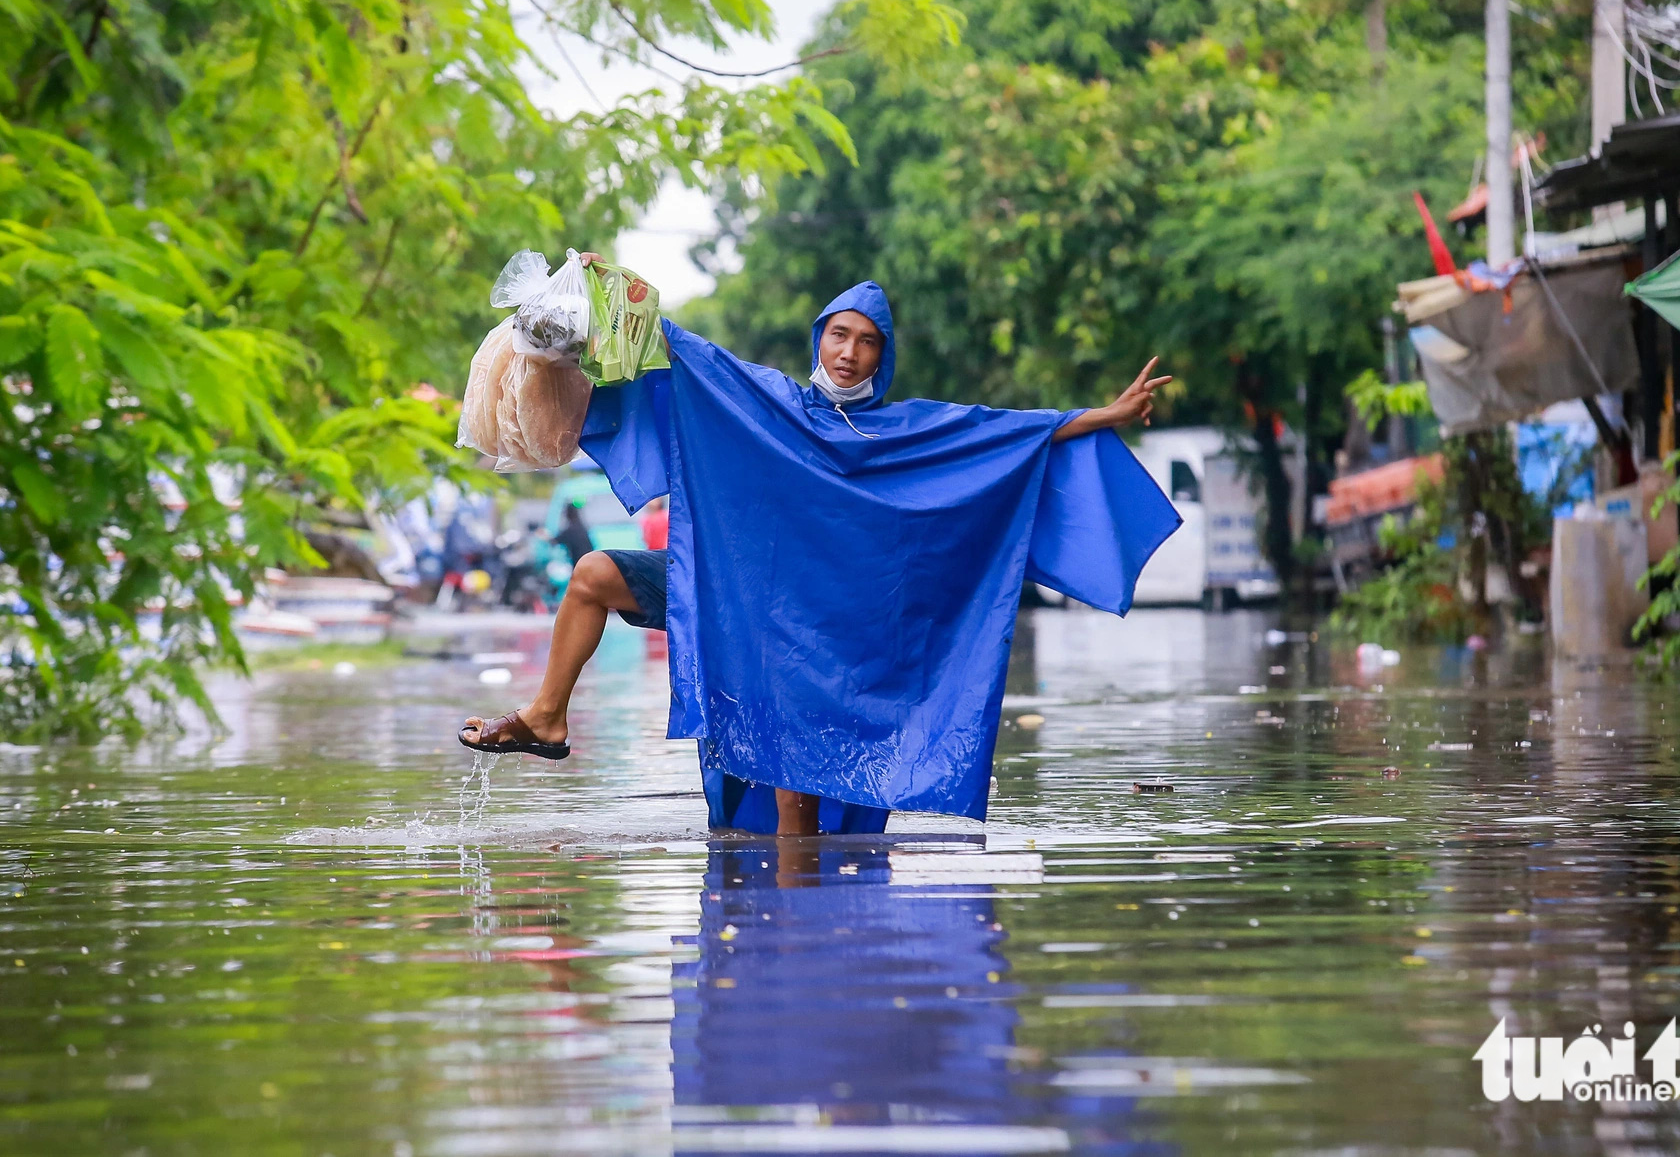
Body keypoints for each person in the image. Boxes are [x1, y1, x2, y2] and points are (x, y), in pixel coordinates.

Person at [460, 282, 1177, 837]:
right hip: (733, 602)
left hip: (820, 648)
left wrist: (1107, 416)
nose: (850, 351)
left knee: (795, 824)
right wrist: (599, 293)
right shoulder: (768, 403)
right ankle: (547, 716)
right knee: (592, 577)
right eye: (840, 334)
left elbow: (1007, 436)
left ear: (881, 356)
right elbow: (681, 351)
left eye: (867, 341)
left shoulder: (905, 431)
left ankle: (805, 960)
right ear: (819, 339)